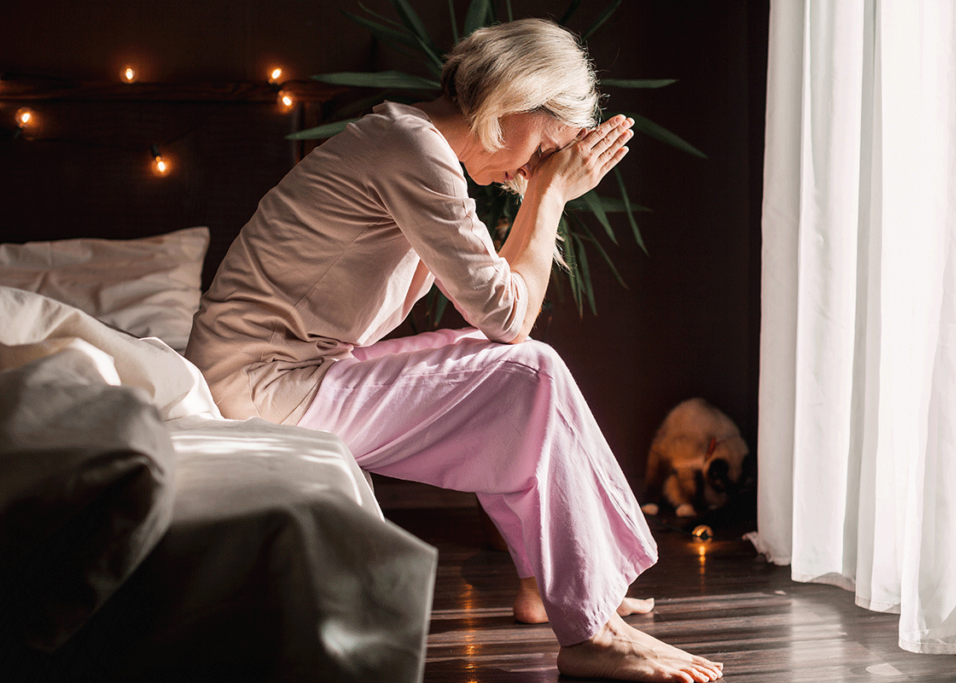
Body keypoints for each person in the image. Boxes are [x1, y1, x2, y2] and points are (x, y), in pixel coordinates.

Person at [186, 17, 724, 683]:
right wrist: (549, 193)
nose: (535, 167)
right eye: (546, 145)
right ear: (516, 96)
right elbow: (508, 318)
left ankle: (549, 587)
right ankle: (592, 628)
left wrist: (539, 190)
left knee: (515, 378)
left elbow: (496, 301)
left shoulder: (411, 142)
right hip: (263, 384)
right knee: (527, 370)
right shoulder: (411, 150)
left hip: (282, 371)